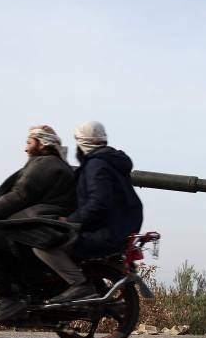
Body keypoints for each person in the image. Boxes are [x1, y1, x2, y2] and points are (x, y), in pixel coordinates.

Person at [0, 125, 76, 324]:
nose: (25, 148)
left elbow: (19, 195)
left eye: (29, 143)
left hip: (37, 230)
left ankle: (8, 300)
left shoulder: (45, 164)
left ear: (43, 143)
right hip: (35, 225)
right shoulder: (51, 164)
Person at [33, 120, 143, 303]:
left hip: (104, 234)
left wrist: (70, 220)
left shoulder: (96, 165)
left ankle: (79, 286)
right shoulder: (110, 161)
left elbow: (98, 203)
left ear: (83, 143)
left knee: (44, 244)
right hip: (117, 230)